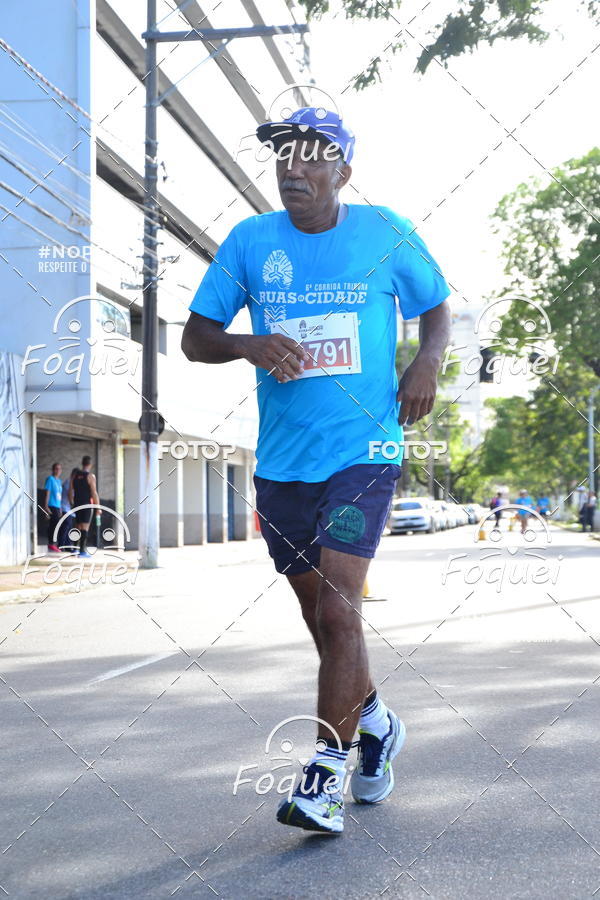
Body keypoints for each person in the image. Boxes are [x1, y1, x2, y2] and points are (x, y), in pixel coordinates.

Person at [182, 107, 451, 834]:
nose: (292, 169)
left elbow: (436, 308)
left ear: (343, 173)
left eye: (310, 157)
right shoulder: (250, 242)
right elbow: (194, 338)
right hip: (283, 463)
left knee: (338, 609)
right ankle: (378, 723)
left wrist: (426, 360)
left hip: (364, 449)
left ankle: (324, 778)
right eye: (283, 157)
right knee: (324, 619)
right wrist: (247, 345)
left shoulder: (383, 232)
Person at [68, 455, 99, 557]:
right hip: (86, 504)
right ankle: (82, 551)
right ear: (90, 464)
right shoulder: (91, 476)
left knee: (78, 525)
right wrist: (98, 507)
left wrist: (71, 502)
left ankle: (74, 549)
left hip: (77, 504)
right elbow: (94, 493)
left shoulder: (75, 475)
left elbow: (70, 491)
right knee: (85, 527)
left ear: (82, 463)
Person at [43, 462, 62, 552]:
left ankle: (54, 544)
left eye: (59, 469)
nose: (58, 471)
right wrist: (46, 506)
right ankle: (51, 543)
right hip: (51, 505)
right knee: (53, 525)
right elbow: (47, 492)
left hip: (58, 506)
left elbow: (59, 496)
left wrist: (61, 508)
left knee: (57, 525)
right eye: (56, 469)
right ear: (53, 470)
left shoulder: (59, 481)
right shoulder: (50, 479)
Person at [58, 469, 77, 552]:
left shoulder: (71, 483)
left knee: (68, 527)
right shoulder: (68, 482)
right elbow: (71, 496)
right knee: (66, 526)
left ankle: (67, 546)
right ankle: (62, 545)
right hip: (64, 507)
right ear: (73, 475)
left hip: (69, 509)